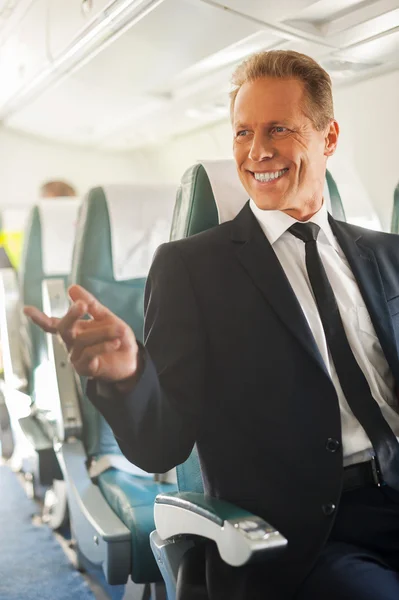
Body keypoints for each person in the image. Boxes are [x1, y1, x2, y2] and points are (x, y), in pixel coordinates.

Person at [24, 50, 399, 599]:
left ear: (330, 137)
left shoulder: (386, 254)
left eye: (278, 129)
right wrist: (128, 376)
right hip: (305, 536)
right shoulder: (193, 269)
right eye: (242, 132)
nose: (257, 151)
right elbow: (162, 443)